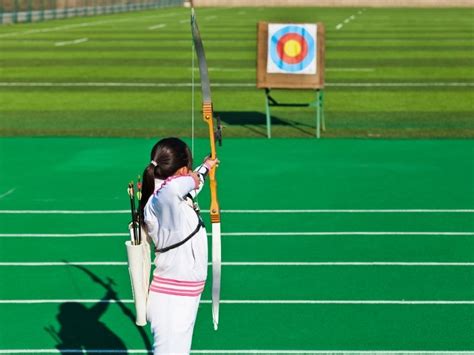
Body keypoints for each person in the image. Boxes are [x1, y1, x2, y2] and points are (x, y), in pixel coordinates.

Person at [139, 137, 218, 354]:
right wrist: (192, 178)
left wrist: (205, 168)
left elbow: (190, 187)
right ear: (182, 169)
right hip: (172, 301)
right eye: (188, 168)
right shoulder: (159, 202)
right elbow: (174, 189)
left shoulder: (173, 199)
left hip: (182, 297)